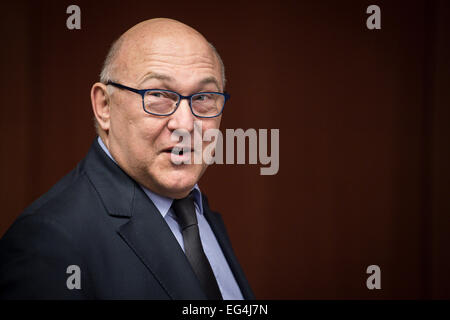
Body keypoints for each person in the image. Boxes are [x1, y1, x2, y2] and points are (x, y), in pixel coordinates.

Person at [0, 18, 254, 300]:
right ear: (104, 106)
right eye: (157, 94)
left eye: (204, 97)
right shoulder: (47, 243)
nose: (185, 124)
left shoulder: (196, 211)